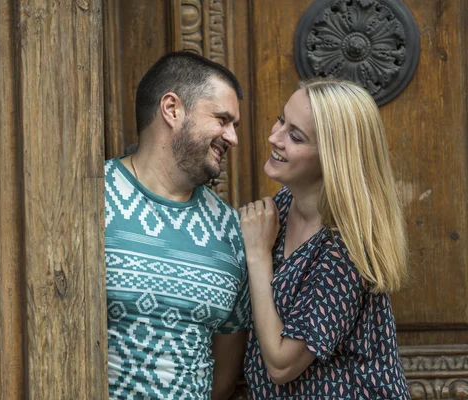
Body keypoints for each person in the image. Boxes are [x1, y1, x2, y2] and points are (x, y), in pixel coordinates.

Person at [239, 78, 410, 399]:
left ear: (333, 157)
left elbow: (281, 365)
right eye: (281, 120)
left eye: (295, 136)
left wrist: (258, 257)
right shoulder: (279, 210)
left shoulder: (350, 245)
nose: (273, 137)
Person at [104, 51, 249, 399]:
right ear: (172, 109)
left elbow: (224, 373)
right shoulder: (90, 201)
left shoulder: (230, 229)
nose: (232, 138)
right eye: (222, 119)